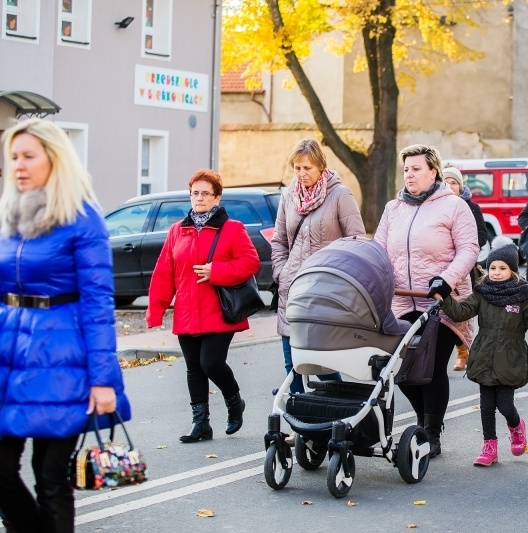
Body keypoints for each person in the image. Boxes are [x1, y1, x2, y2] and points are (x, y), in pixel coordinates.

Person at [0, 118, 131, 532]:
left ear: (54, 158)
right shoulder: (9, 215)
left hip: (62, 360)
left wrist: (103, 380)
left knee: (51, 477)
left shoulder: (82, 217)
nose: (18, 165)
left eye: (28, 156)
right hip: (10, 356)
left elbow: (97, 303)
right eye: (13, 157)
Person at [375, 144, 479, 457]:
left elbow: (469, 249)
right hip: (402, 302)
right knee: (402, 369)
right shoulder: (393, 208)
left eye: (417, 169)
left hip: (442, 303)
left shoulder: (454, 207)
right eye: (406, 169)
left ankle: (431, 433)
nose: (409, 174)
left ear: (433, 172)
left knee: (430, 366)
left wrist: (446, 280)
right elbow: (379, 249)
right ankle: (424, 422)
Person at [147, 170, 260, 443]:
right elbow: (163, 272)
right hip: (187, 312)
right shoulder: (177, 230)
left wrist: (216, 271)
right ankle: (201, 424)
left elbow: (250, 262)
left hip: (219, 311)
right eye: (195, 193)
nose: (199, 198)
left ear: (217, 197)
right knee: (194, 368)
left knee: (211, 363)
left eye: (205, 193)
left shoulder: (232, 228)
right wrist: (155, 311)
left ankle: (234, 402)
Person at [271, 138, 366, 397]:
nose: (301, 174)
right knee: (292, 363)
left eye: (307, 168)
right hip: (292, 288)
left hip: (325, 291)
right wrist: (281, 272)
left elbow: (356, 243)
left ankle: (340, 411)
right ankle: (298, 417)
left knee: (323, 363)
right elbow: (279, 240)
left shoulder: (340, 195)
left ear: (321, 166)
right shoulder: (288, 196)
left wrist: (340, 281)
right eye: (297, 168)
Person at [440, 237, 528, 466]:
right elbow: (461, 312)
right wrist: (444, 297)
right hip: (485, 355)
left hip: (510, 358)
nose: (496, 272)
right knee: (486, 407)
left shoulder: (523, 295)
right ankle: (489, 448)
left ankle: (516, 426)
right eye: (492, 267)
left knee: (504, 405)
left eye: (502, 268)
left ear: (512, 270)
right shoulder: (482, 292)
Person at [442, 165, 488, 371]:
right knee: (440, 313)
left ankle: (463, 351)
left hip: (462, 269)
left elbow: (482, 236)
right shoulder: (435, 206)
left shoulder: (471, 207)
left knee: (459, 313)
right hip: (439, 267)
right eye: (446, 182)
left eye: (454, 182)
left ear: (460, 186)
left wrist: (463, 246)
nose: (450, 186)